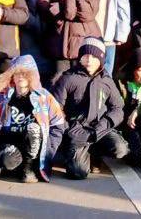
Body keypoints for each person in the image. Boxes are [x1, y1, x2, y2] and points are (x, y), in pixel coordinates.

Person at [50, 37, 129, 180]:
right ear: (80, 57)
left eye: (94, 56)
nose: (89, 60)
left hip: (100, 129)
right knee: (78, 172)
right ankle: (71, 153)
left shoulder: (106, 80)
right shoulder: (68, 78)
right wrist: (68, 129)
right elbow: (56, 108)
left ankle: (94, 153)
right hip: (76, 130)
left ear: (101, 59)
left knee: (120, 149)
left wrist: (104, 124)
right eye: (85, 55)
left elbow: (118, 108)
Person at [0, 55, 65, 183]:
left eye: (25, 73)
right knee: (8, 161)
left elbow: (58, 125)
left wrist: (49, 150)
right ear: (12, 75)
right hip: (11, 143)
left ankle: (28, 169)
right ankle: (18, 167)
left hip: (35, 145)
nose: (21, 77)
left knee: (33, 129)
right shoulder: (2, 98)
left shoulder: (45, 97)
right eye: (17, 73)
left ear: (33, 75)